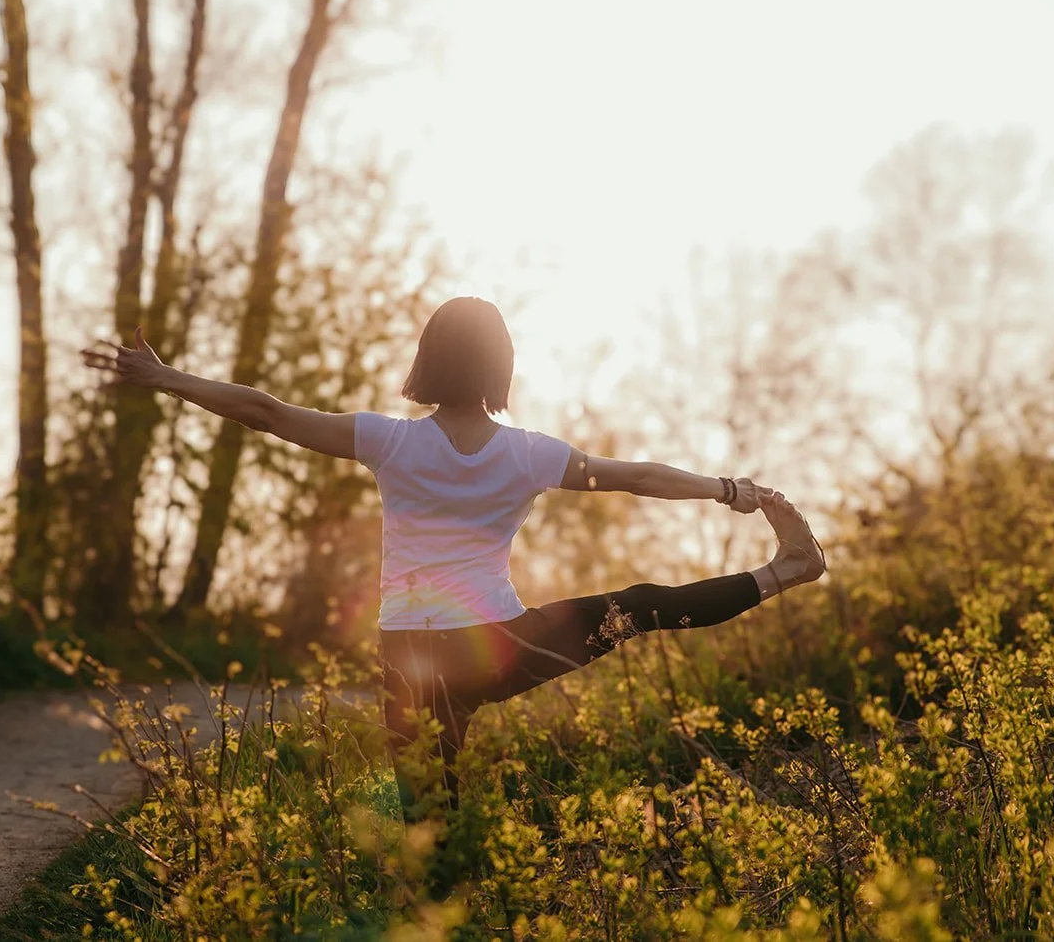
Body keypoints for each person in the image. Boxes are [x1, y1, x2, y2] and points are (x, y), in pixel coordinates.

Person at [82, 297, 825, 818]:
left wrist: (167, 376)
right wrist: (730, 490)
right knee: (641, 604)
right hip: (502, 648)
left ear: (426, 360)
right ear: (501, 364)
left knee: (429, 823)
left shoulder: (390, 441)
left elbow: (268, 412)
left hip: (406, 652)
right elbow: (635, 477)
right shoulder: (532, 454)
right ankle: (783, 571)